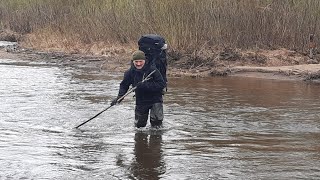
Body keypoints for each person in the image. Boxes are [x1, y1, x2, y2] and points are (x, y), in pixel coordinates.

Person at [111, 50, 166, 128]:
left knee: (157, 125)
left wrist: (145, 85)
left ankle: (156, 138)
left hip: (156, 99)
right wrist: (120, 97)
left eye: (141, 61)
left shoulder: (153, 70)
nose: (138, 64)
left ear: (144, 60)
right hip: (141, 100)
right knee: (139, 126)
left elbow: (161, 84)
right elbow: (124, 85)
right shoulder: (129, 73)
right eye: (136, 61)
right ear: (133, 61)